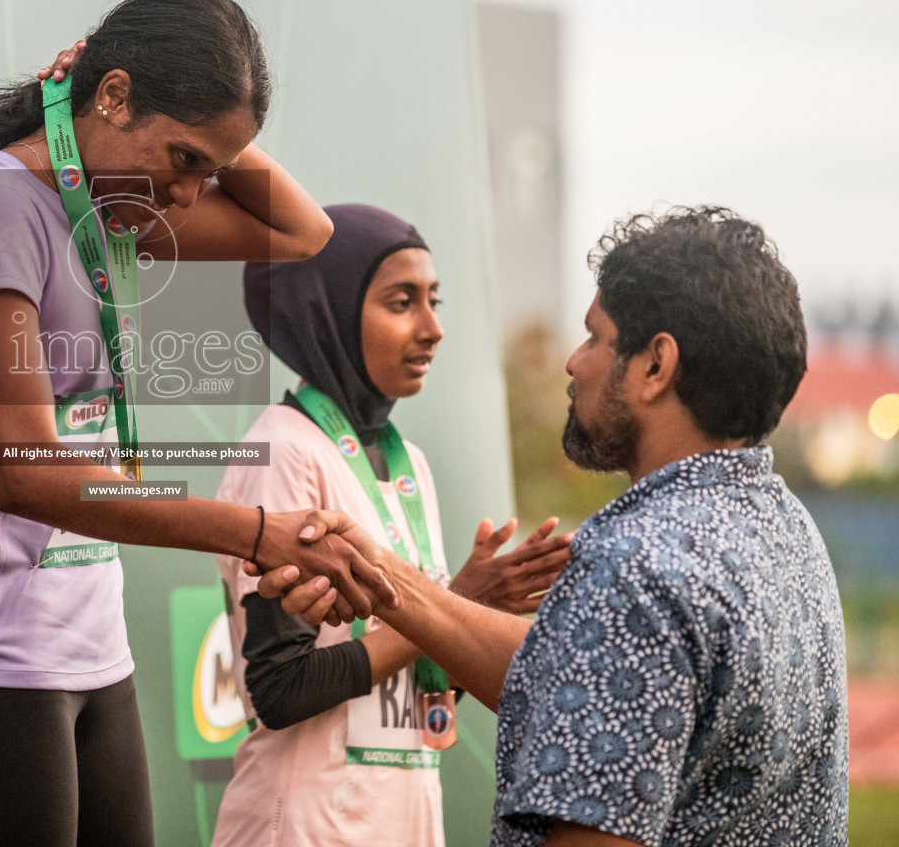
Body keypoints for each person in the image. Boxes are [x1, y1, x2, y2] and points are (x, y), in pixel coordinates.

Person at [0, 0, 395, 847]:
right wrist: (257, 531)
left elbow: (303, 234)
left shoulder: (112, 207)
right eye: (184, 160)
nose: (190, 193)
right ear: (113, 98)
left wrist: (206, 136)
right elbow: (27, 477)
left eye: (210, 171)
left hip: (96, 654)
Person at [253, 207, 848, 846]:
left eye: (594, 337)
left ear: (656, 367)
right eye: (402, 301)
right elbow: (568, 684)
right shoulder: (788, 529)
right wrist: (395, 579)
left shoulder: (634, 570)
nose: (573, 362)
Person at [211, 203, 571, 847]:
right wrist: (455, 606)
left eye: (435, 300)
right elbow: (283, 688)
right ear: (331, 311)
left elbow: (407, 689)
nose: (433, 328)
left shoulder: (410, 466)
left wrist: (460, 625)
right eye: (402, 302)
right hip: (304, 827)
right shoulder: (283, 450)